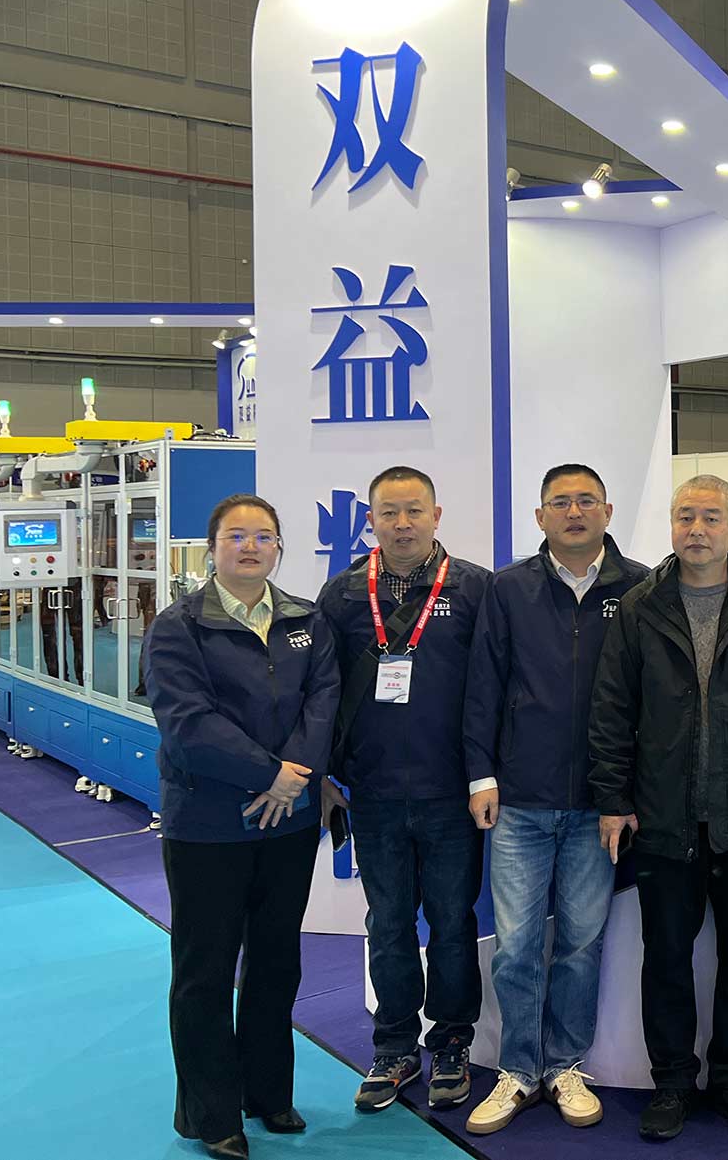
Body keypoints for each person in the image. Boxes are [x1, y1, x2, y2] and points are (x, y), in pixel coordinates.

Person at [587, 474, 728, 1141]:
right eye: (686, 516)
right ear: (671, 524)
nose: (697, 529)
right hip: (663, 816)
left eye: (712, 517)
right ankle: (672, 1084)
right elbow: (611, 708)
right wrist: (614, 798)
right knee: (665, 958)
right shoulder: (641, 606)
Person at [143, 494, 339, 1160]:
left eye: (263, 536)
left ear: (279, 547)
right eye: (236, 536)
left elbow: (324, 700)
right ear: (212, 549)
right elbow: (189, 723)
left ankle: (268, 1092)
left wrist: (296, 776)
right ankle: (212, 1113)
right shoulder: (177, 628)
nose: (250, 546)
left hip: (288, 825)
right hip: (207, 825)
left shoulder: (306, 620)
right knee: (204, 969)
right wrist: (270, 775)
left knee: (277, 960)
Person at [460, 464, 647, 1134]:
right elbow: (483, 685)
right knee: (515, 947)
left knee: (579, 945)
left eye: (586, 500)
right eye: (560, 502)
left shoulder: (640, 587)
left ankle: (565, 1065)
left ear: (608, 511)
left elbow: (650, 697)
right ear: (540, 516)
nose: (574, 511)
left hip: (601, 805)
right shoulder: (508, 588)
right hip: (521, 800)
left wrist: (628, 791)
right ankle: (518, 1069)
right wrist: (481, 775)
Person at [316, 467, 492, 1114]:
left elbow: (492, 690)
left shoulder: (474, 589)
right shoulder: (341, 595)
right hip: (375, 792)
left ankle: (451, 1043)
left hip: (451, 792)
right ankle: (393, 1046)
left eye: (414, 510)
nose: (402, 523)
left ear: (436, 515)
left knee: (451, 923)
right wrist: (325, 773)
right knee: (387, 924)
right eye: (389, 512)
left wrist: (485, 775)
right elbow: (322, 691)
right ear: (371, 521)